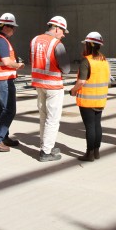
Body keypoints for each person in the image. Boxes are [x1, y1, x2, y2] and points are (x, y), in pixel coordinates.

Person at [30, 15, 71, 162]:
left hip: (39, 84)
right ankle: (46, 152)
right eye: (62, 32)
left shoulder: (35, 40)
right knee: (53, 120)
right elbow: (66, 69)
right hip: (53, 85)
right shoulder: (56, 44)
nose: (63, 35)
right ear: (57, 28)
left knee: (43, 116)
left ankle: (45, 145)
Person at [0, 13, 25, 152]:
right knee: (9, 110)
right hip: (2, 80)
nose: (14, 30)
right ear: (6, 27)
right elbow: (6, 61)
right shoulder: (1, 40)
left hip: (1, 79)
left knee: (2, 110)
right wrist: (18, 65)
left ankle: (3, 136)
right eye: (13, 27)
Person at [69, 32, 110, 162]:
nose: (84, 47)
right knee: (97, 125)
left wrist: (73, 90)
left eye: (85, 44)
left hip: (87, 100)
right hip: (100, 99)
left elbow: (81, 82)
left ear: (89, 45)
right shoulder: (104, 60)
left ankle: (89, 154)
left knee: (90, 127)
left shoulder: (86, 61)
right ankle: (96, 152)